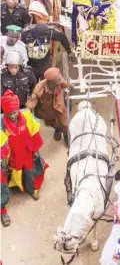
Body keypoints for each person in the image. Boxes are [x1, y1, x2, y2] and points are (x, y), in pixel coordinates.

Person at [1, 89, 48, 223]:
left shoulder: (26, 115)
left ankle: (30, 189)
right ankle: (5, 202)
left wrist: (34, 150)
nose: (13, 116)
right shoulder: (1, 123)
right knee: (7, 176)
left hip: (26, 152)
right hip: (10, 156)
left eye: (15, 112)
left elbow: (34, 134)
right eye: (10, 114)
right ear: (5, 112)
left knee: (28, 170)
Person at [26, 68, 69, 143]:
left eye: (60, 78)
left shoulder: (59, 81)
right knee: (52, 123)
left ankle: (66, 135)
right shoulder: (40, 86)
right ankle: (57, 129)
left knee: (64, 124)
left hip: (59, 107)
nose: (60, 80)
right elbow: (32, 100)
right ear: (50, 81)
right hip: (47, 111)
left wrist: (69, 85)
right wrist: (27, 112)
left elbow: (65, 84)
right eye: (58, 80)